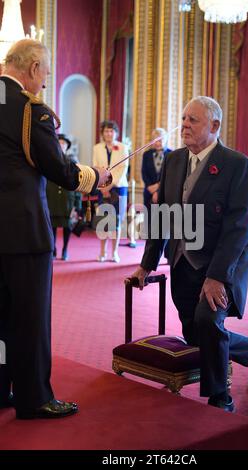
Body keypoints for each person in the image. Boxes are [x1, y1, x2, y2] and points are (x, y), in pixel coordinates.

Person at [128, 96, 248, 412]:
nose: (184, 124)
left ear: (214, 126)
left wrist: (216, 277)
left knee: (208, 319)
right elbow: (162, 217)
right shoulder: (173, 161)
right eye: (183, 118)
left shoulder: (237, 165)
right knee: (197, 335)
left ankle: (220, 396)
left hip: (223, 262)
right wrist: (146, 266)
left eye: (192, 120)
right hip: (184, 260)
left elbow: (237, 227)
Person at [0, 39, 111, 419]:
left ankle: (1, 388)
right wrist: (96, 177)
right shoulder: (30, 110)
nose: (44, 83)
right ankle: (34, 398)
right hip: (24, 233)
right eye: (45, 74)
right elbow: (59, 169)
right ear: (32, 68)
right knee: (29, 320)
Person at [93, 120, 129, 263]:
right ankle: (102, 252)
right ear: (102, 133)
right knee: (104, 220)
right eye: (106, 131)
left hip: (119, 187)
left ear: (116, 133)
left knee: (116, 221)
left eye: (111, 131)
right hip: (102, 187)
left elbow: (123, 168)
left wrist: (111, 184)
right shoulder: (97, 148)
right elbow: (96, 167)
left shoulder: (122, 147)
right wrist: (103, 186)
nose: (109, 133)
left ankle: (114, 253)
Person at [47, 134, 82, 261]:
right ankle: (53, 249)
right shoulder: (48, 160)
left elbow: (79, 183)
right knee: (52, 227)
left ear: (67, 146)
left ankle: (65, 249)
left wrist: (77, 206)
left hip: (68, 199)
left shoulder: (72, 161)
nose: (61, 145)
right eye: (59, 142)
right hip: (52, 199)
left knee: (67, 226)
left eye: (64, 143)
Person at [141, 128, 172, 209]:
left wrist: (158, 187)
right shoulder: (146, 154)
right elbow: (144, 173)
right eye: (155, 140)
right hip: (149, 192)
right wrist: (150, 188)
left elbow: (171, 175)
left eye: (160, 140)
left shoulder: (171, 154)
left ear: (165, 140)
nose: (158, 143)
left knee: (163, 220)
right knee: (149, 220)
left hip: (165, 192)